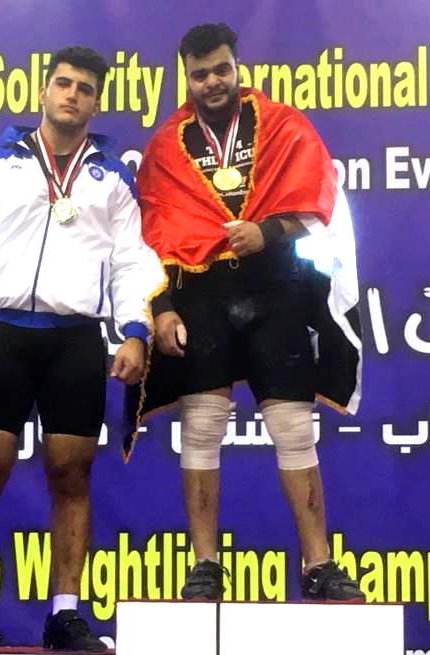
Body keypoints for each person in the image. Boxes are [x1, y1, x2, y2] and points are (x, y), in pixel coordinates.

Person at [0, 46, 164, 651]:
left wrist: (134, 331)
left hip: (74, 341)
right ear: (43, 91)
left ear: (95, 102)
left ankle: (65, 613)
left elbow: (130, 262)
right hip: (3, 334)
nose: (72, 95)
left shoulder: (111, 178)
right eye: (63, 84)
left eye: (84, 89)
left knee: (71, 472)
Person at [125, 24, 365, 602]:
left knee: (294, 428)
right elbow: (148, 239)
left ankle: (318, 564)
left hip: (274, 290)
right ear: (186, 78)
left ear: (238, 68)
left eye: (221, 70)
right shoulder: (166, 146)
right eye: (200, 74)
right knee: (202, 427)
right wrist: (162, 309)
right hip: (201, 297)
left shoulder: (282, 125)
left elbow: (316, 202)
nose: (212, 82)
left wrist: (268, 231)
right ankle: (205, 565)